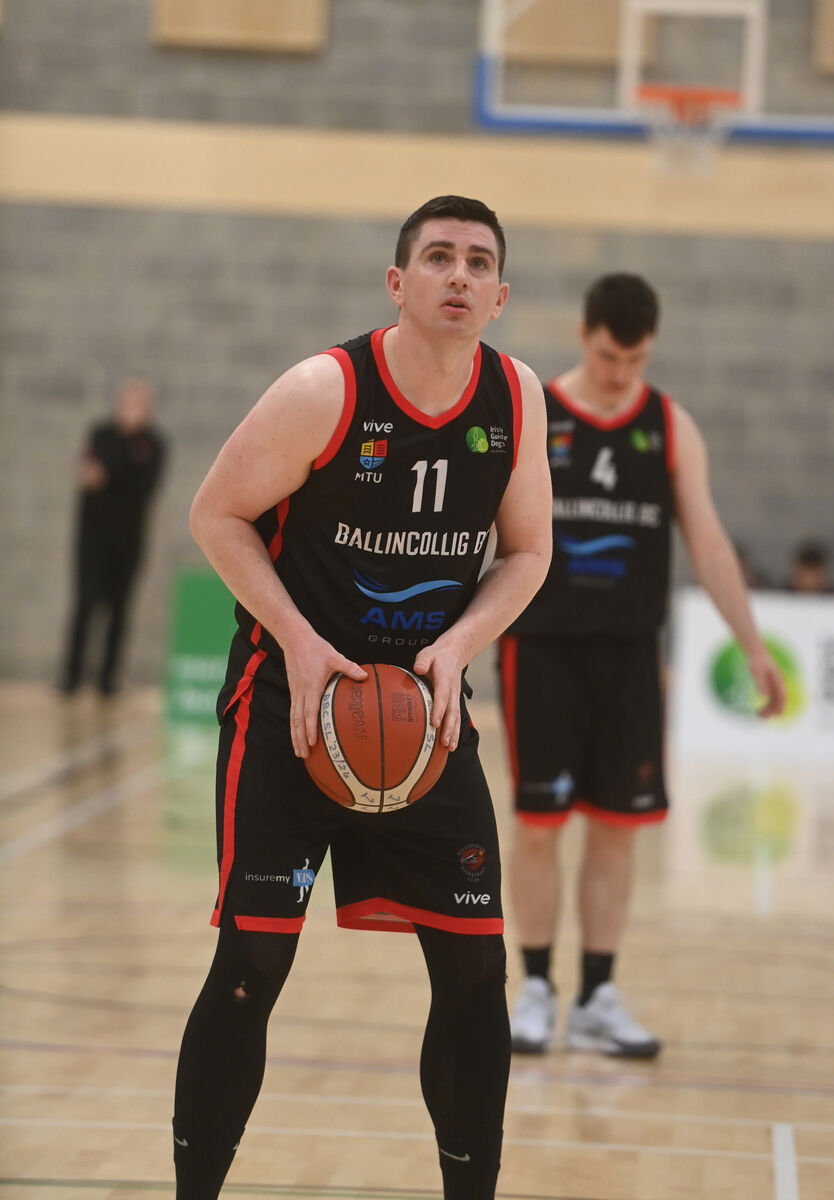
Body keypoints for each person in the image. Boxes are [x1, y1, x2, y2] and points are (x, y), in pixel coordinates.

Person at [172, 196, 552, 1200]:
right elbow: (217, 515)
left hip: (421, 721)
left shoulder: (515, 399)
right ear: (398, 283)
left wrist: (460, 645)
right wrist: (296, 640)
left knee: (475, 975)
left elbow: (528, 551)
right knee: (252, 962)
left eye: (479, 262)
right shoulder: (323, 389)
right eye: (438, 258)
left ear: (501, 295)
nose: (459, 276)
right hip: (294, 711)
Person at [498, 273, 786, 1058]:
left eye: (635, 358)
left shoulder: (669, 426)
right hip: (542, 649)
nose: (621, 371)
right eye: (607, 355)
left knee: (618, 833)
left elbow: (711, 544)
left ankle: (595, 994)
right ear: (584, 335)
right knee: (537, 827)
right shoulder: (537, 415)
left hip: (629, 657)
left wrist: (753, 647)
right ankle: (532, 987)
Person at [59, 377, 166, 696]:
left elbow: (143, 488)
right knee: (85, 603)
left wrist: (112, 473)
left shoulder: (154, 445)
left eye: (139, 404)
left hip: (129, 539)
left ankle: (108, 682)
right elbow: (90, 479)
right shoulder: (101, 434)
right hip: (93, 537)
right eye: (128, 402)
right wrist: (120, 462)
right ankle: (71, 679)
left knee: (120, 609)